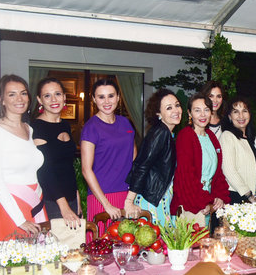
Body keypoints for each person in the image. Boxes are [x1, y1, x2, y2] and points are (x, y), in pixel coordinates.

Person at [0, 75, 46, 240]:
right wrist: (20, 220)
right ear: (1, 99)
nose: (19, 99)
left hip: (37, 201)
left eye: (23, 93)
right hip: (13, 207)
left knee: (42, 253)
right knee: (18, 256)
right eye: (12, 94)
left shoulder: (29, 129)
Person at [80, 77, 136, 221]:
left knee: (129, 235)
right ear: (94, 99)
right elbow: (86, 170)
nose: (107, 101)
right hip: (102, 196)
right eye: (101, 97)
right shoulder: (91, 127)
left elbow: (134, 159)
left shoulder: (125, 123)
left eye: (111, 96)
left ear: (118, 97)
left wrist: (133, 194)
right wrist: (106, 204)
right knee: (102, 236)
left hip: (128, 195)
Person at [123, 89, 182, 225]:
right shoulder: (160, 133)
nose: (176, 110)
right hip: (151, 200)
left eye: (177, 105)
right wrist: (129, 201)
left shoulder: (166, 133)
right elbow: (142, 166)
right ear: (158, 114)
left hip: (159, 196)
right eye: (169, 108)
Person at [171, 93, 229, 224]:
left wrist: (219, 195)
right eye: (197, 110)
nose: (203, 115)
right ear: (189, 113)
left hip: (206, 203)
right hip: (191, 203)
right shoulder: (185, 136)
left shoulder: (211, 136)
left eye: (206, 110)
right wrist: (203, 201)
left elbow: (217, 173)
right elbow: (186, 176)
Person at [31, 78, 80, 227]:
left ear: (64, 97)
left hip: (71, 197)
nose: (53, 99)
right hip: (52, 200)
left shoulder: (65, 124)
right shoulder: (37, 127)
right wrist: (64, 207)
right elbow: (45, 171)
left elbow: (68, 167)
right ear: (40, 100)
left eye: (57, 94)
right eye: (47, 95)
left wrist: (77, 199)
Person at [219, 98, 256, 204]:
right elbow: (229, 170)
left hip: (247, 196)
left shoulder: (249, 139)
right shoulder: (227, 136)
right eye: (236, 112)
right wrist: (248, 194)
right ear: (229, 116)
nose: (241, 116)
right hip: (235, 195)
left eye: (244, 111)